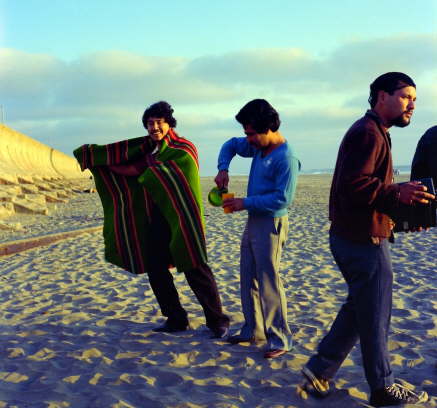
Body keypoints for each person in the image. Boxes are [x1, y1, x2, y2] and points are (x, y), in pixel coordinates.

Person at [301, 73, 433, 406]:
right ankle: (382, 387)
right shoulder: (368, 133)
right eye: (405, 97)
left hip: (357, 234)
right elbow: (354, 186)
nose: (412, 105)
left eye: (414, 99)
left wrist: (401, 217)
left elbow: (367, 191)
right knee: (375, 314)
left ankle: (320, 368)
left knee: (361, 306)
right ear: (381, 96)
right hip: (361, 240)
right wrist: (397, 192)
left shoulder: (375, 131)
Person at [73, 101, 230, 338]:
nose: (154, 127)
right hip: (157, 218)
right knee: (155, 268)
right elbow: (132, 165)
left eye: (159, 122)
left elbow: (155, 172)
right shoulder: (147, 149)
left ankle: (217, 320)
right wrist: (103, 163)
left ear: (169, 124)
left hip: (182, 217)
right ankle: (176, 318)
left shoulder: (183, 149)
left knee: (194, 264)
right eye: (150, 123)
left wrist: (143, 169)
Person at [214, 99, 300, 358]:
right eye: (246, 133)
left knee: (268, 281)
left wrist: (244, 202)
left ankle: (280, 338)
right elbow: (230, 145)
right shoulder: (257, 147)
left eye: (251, 134)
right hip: (254, 220)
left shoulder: (286, 157)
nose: (248, 139)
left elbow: (282, 199)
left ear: (269, 128)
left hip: (271, 224)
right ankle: (252, 329)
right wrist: (223, 169)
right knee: (248, 275)